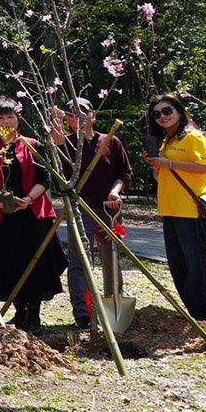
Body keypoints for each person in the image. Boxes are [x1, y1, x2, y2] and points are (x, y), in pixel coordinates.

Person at [0, 98, 66, 333]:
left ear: (18, 119)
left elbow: (44, 179)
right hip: (3, 216)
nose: (6, 121)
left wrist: (28, 199)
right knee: (9, 263)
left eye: (10, 116)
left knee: (35, 264)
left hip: (33, 215)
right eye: (1, 117)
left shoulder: (32, 145)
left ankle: (34, 315)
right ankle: (20, 312)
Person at [49, 97, 132, 330]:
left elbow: (124, 173)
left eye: (83, 112)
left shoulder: (110, 141)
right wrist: (55, 119)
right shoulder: (66, 145)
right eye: (72, 113)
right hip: (78, 209)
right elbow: (55, 141)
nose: (78, 117)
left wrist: (115, 192)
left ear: (92, 115)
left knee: (111, 258)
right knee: (80, 260)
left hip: (108, 209)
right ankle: (83, 313)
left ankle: (113, 307)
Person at [143, 94, 206, 321]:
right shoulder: (166, 141)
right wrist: (157, 164)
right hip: (169, 210)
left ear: (179, 111)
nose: (162, 117)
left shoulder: (193, 137)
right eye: (156, 114)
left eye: (167, 111)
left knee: (198, 266)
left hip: (189, 210)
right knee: (178, 267)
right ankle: (196, 315)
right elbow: (161, 177)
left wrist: (169, 163)